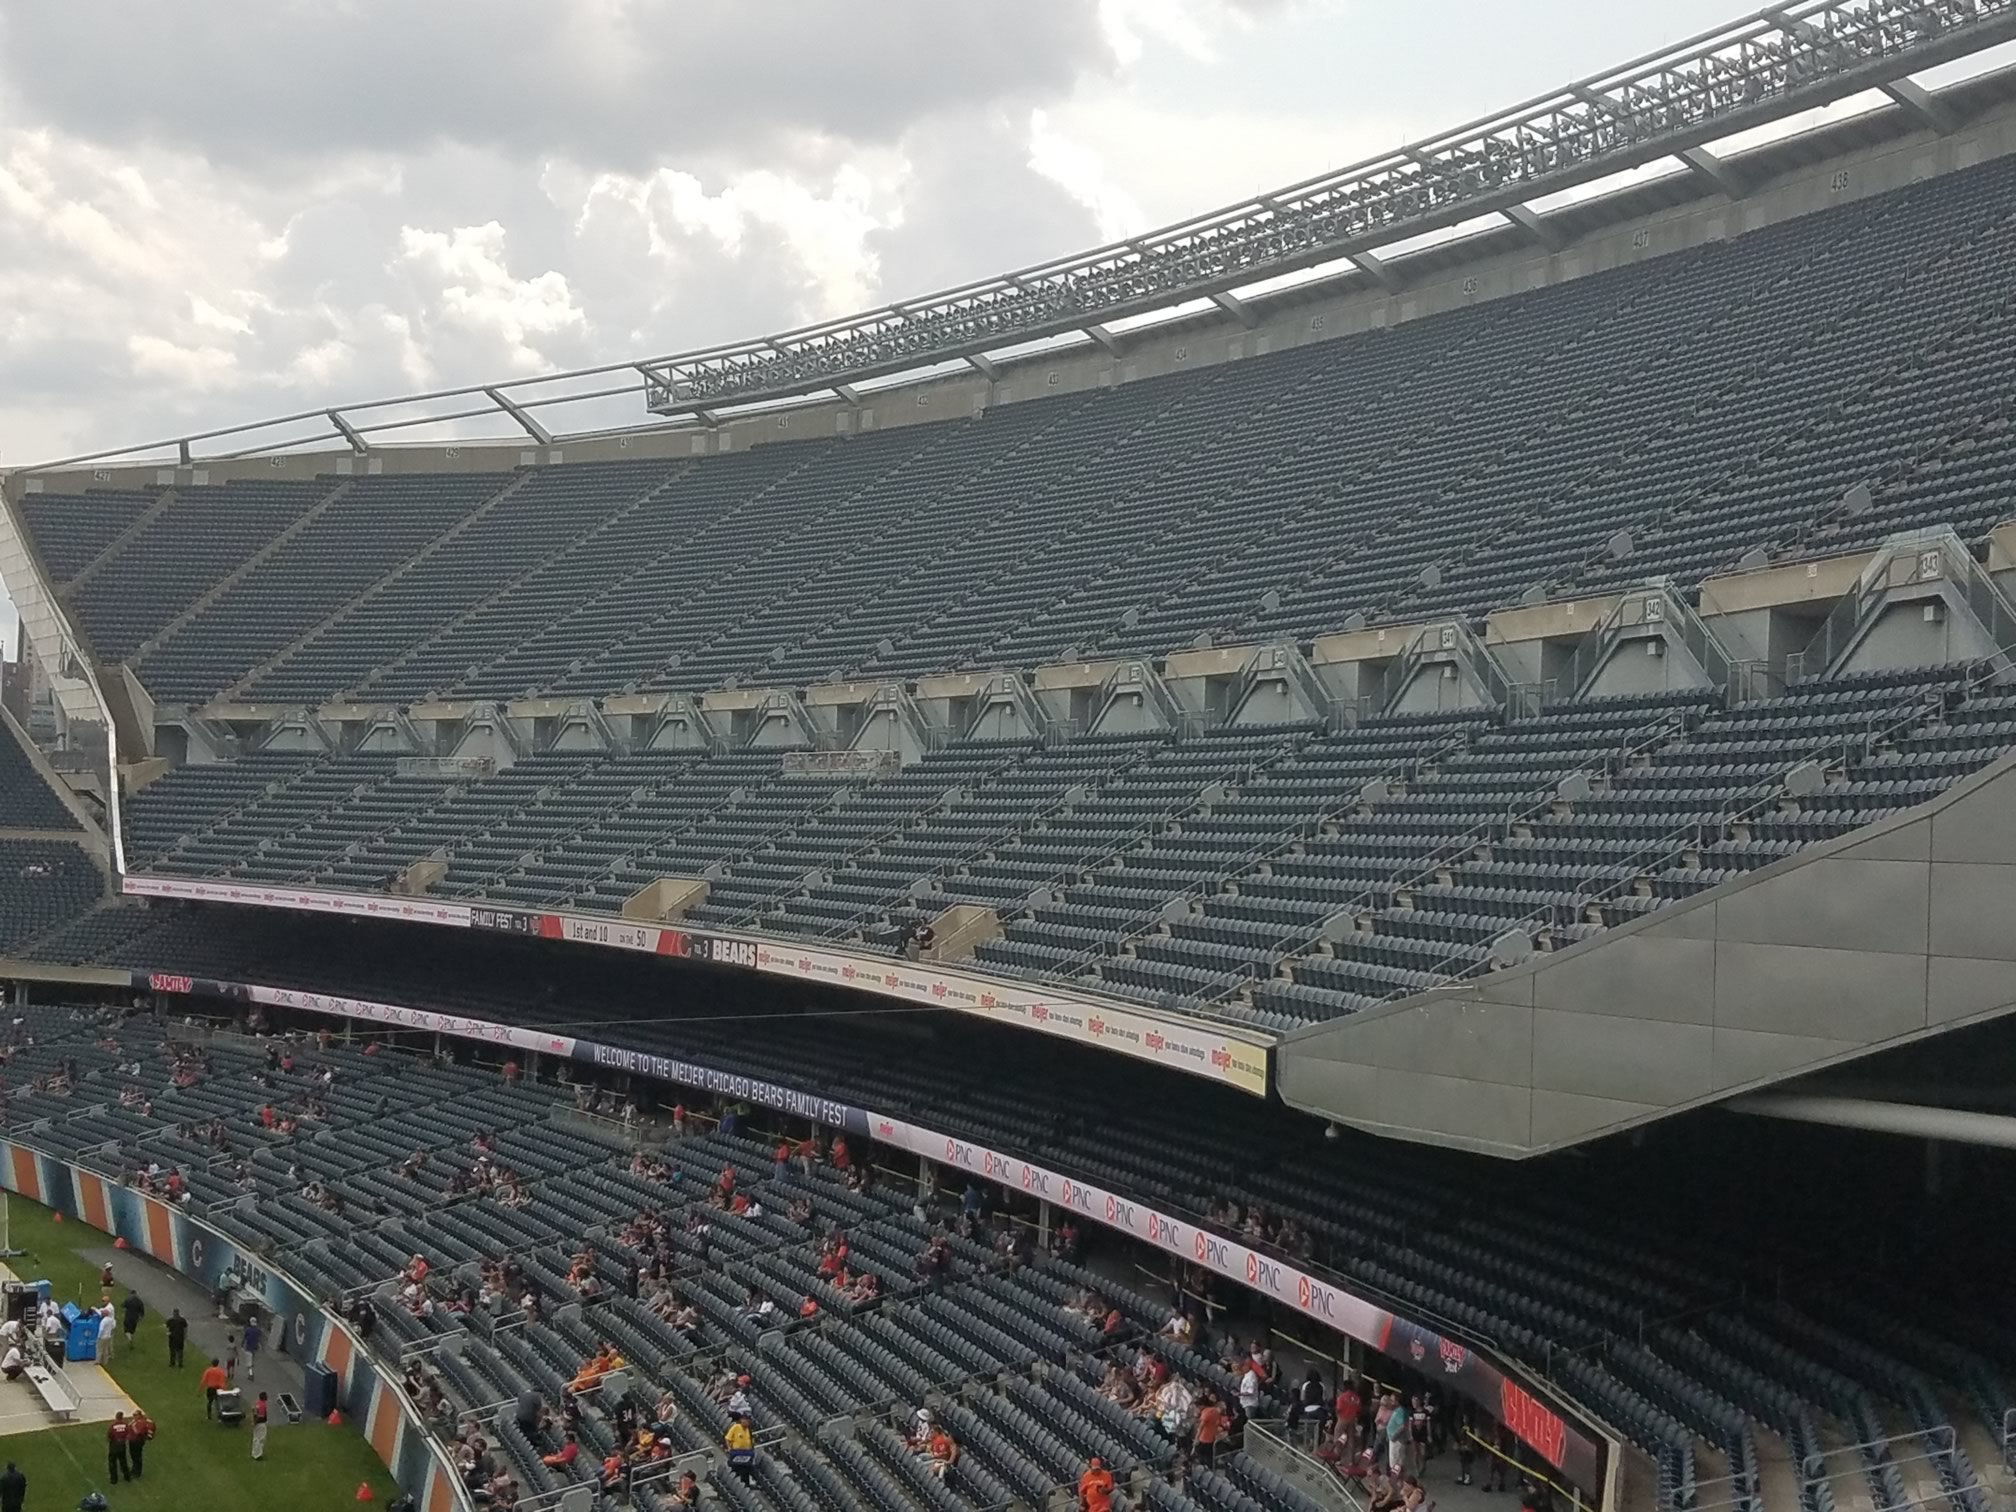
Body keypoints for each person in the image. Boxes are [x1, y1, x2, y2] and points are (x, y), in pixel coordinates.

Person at [724, 1412, 755, 1484]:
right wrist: (729, 1448)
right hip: (736, 1453)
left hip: (747, 1454)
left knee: (745, 1472)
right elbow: (727, 1438)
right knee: (736, 1471)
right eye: (744, 1419)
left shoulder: (749, 1430)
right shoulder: (736, 1427)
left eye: (747, 1420)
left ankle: (746, 1485)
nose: (745, 1421)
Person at [107, 1412, 133, 1484]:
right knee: (123, 1461)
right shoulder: (125, 1425)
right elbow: (128, 1433)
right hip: (122, 1445)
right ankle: (127, 1477)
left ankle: (114, 1480)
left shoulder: (113, 1425)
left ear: (116, 1417)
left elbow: (109, 1435)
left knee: (112, 1462)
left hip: (114, 1445)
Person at [128, 1407, 154, 1479]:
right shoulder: (136, 1421)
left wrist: (133, 1427)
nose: (134, 1416)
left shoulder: (141, 1422)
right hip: (133, 1440)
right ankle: (134, 1470)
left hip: (137, 1441)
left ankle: (137, 1472)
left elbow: (137, 1432)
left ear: (139, 1415)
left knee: (137, 1456)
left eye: (136, 1415)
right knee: (133, 1455)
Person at [242, 1315, 263, 1380]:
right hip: (255, 1347)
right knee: (252, 1359)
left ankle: (250, 1374)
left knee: (249, 1362)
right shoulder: (258, 1331)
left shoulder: (248, 1330)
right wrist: (260, 1345)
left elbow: (244, 1338)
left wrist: (242, 1344)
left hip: (248, 1347)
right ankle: (250, 1372)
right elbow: (260, 1339)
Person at [251, 1391, 270, 1460]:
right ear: (264, 1397)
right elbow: (260, 1416)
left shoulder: (257, 1403)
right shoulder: (263, 1405)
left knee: (255, 1438)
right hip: (261, 1423)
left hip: (256, 1423)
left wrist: (253, 1422)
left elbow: (253, 1411)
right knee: (260, 1439)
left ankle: (254, 1453)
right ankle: (258, 1455)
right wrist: (256, 1422)